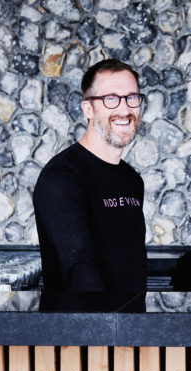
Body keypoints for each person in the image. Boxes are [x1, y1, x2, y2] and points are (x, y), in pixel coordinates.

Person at [33, 59, 147, 292]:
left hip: (131, 315)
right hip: (82, 316)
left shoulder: (132, 179)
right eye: (111, 99)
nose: (124, 110)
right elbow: (80, 273)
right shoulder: (62, 178)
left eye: (132, 97)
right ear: (88, 109)